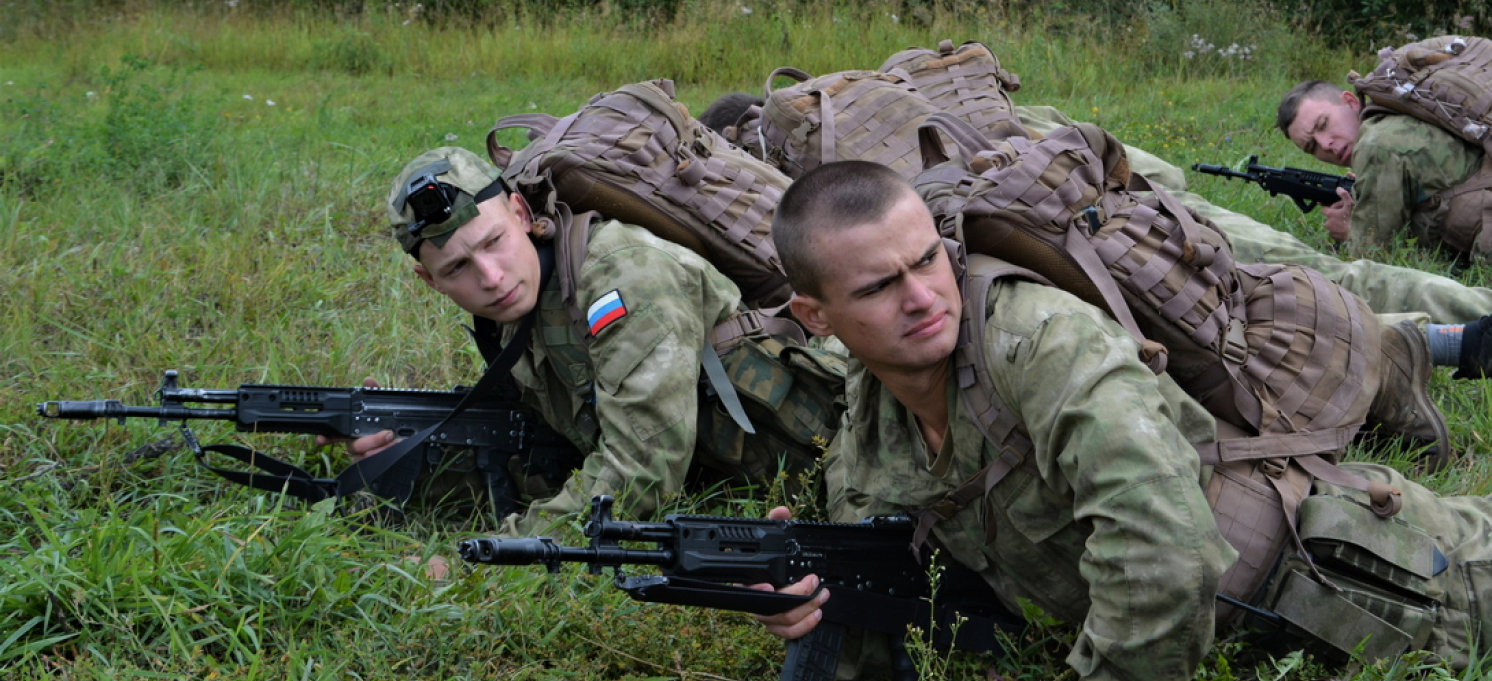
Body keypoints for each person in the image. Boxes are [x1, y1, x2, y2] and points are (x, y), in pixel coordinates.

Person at [755, 160, 1492, 680]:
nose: (921, 297)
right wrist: (822, 592)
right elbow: (912, 589)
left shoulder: (1040, 339)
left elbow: (1164, 550)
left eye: (927, 262)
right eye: (882, 285)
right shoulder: (872, 417)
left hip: (1388, 593)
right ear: (816, 317)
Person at [699, 91, 1492, 376]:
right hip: (1102, 182)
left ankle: (1464, 323)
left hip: (1101, 210)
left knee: (1304, 279)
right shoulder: (891, 110)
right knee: (1298, 273)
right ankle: (1460, 324)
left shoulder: (817, 185)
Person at [343, 146, 832, 536]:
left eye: (494, 242)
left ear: (520, 212)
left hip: (828, 469)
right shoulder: (521, 308)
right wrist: (403, 457)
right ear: (430, 281)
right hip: (728, 485)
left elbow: (642, 471)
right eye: (457, 268)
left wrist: (493, 556)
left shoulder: (623, 274)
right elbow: (547, 452)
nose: (490, 277)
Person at [1278, 79, 1484, 258]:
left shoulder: (1375, 146)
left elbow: (1373, 257)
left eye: (1323, 124)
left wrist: (1349, 232)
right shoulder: (1398, 115)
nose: (1325, 144)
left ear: (1350, 101)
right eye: (1312, 146)